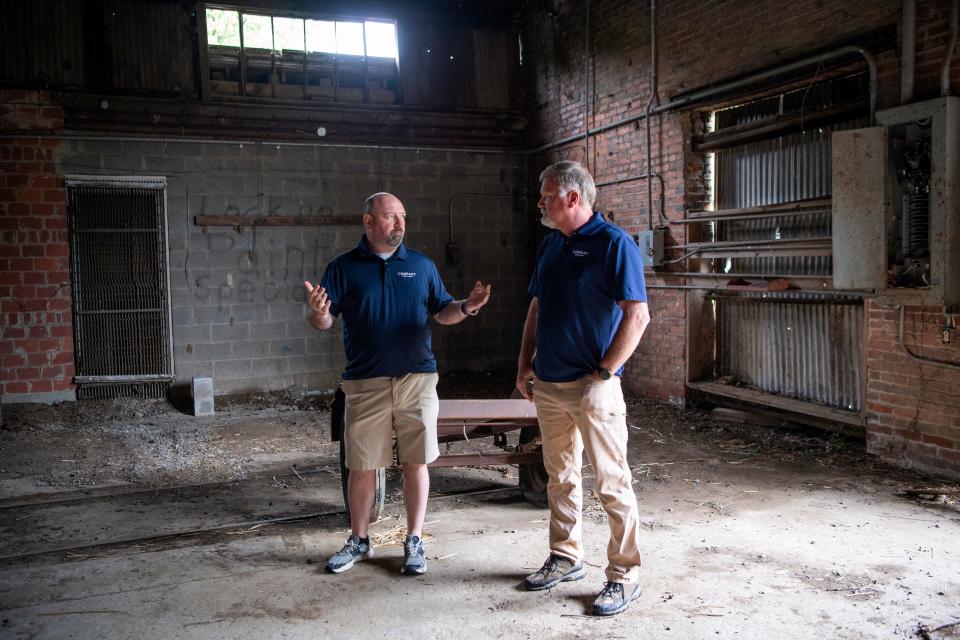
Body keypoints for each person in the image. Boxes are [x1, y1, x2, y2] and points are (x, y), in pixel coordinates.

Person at [305, 192, 491, 576]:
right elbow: (324, 322)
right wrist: (318, 313)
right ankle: (359, 539)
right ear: (369, 222)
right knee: (362, 466)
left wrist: (468, 306)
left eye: (403, 216)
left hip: (417, 379)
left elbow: (443, 311)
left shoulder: (420, 266)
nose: (400, 224)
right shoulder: (342, 268)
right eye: (390, 217)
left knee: (415, 462)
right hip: (365, 382)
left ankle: (414, 539)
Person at [515, 160, 650, 616]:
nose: (541, 202)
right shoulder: (551, 245)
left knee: (612, 482)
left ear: (574, 198)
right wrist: (524, 366)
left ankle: (625, 575)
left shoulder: (615, 245)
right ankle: (566, 556)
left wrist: (606, 373)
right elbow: (536, 309)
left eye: (547, 195)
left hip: (593, 386)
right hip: (549, 385)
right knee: (561, 477)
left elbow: (638, 315)